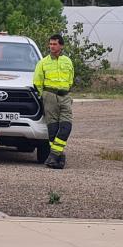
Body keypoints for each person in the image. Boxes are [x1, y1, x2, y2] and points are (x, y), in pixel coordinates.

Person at [33, 34, 74, 169]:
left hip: (65, 96)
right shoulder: (43, 62)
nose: (52, 46)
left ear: (61, 46)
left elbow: (70, 79)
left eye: (55, 44)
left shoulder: (67, 61)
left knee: (66, 127)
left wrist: (66, 91)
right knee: (53, 129)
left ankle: (54, 155)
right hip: (49, 95)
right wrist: (43, 96)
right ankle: (58, 158)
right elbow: (37, 82)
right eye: (50, 44)